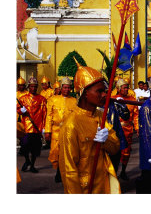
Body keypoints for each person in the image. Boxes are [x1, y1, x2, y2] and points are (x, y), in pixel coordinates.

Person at [58, 60, 120, 194]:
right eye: (99, 91)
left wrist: (106, 140)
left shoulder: (100, 116)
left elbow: (115, 147)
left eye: (104, 91)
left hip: (104, 184)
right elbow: (69, 171)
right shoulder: (71, 124)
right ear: (85, 93)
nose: (104, 95)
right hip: (85, 188)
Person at [45, 77, 76, 182]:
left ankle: (61, 173)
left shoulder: (74, 101)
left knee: (67, 153)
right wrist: (47, 131)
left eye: (68, 88)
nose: (67, 90)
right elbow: (48, 116)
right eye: (65, 87)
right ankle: (58, 170)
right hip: (56, 130)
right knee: (55, 153)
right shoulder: (53, 99)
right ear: (61, 88)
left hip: (68, 131)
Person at [17, 76, 47, 173]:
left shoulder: (42, 99)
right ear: (28, 87)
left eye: (35, 87)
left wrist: (44, 126)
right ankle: (27, 161)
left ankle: (33, 165)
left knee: (35, 149)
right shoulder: (23, 99)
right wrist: (21, 110)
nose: (33, 88)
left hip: (37, 127)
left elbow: (44, 112)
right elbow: (17, 109)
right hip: (26, 127)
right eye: (31, 86)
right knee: (24, 146)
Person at [111, 78, 139, 180]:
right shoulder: (113, 99)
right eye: (124, 88)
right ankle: (113, 173)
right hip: (115, 130)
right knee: (114, 152)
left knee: (126, 152)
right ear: (118, 89)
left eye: (127, 87)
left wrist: (137, 129)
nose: (126, 89)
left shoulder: (132, 100)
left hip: (128, 129)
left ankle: (123, 171)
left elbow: (136, 116)